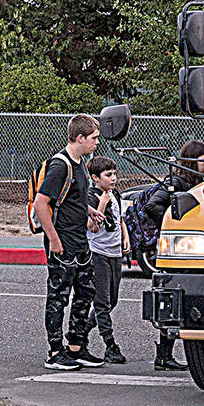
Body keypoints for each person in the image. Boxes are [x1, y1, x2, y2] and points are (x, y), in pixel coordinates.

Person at [33, 113, 105, 371]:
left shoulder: (81, 163)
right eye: (94, 138)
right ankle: (55, 351)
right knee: (58, 297)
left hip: (80, 241)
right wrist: (53, 239)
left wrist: (89, 210)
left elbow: (74, 197)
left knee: (86, 291)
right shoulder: (59, 165)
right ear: (80, 137)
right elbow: (42, 203)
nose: (97, 142)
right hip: (62, 243)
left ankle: (76, 345)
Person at [142, 139, 204, 370]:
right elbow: (152, 206)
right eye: (202, 161)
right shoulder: (177, 182)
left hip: (195, 247)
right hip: (181, 247)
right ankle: (163, 355)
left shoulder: (201, 181)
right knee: (172, 300)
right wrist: (175, 224)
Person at [86, 156, 129, 364]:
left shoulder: (115, 195)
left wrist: (125, 236)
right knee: (102, 302)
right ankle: (110, 345)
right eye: (108, 175)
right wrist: (101, 205)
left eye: (114, 174)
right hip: (98, 253)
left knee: (112, 300)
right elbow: (92, 227)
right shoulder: (92, 197)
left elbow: (119, 218)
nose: (113, 179)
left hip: (115, 253)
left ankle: (81, 331)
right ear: (95, 177)